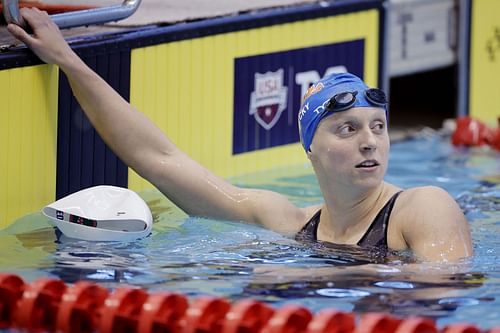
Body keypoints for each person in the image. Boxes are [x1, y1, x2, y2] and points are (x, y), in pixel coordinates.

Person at [8, 8, 473, 262]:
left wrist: (303, 284)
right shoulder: (287, 221)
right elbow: (159, 158)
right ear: (309, 148)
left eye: (378, 127)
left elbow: (439, 293)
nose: (370, 141)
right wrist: (68, 61)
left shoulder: (423, 206)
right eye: (347, 129)